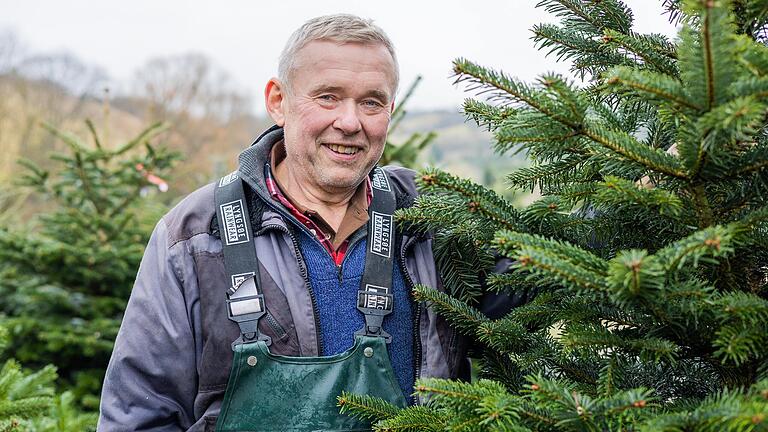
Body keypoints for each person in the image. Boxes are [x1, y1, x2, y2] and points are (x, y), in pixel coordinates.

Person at [97, 14, 472, 431]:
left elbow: (539, 280)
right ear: (278, 101)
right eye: (328, 97)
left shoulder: (432, 218)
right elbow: (139, 417)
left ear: (389, 110)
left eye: (371, 102)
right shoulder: (193, 236)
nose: (349, 123)